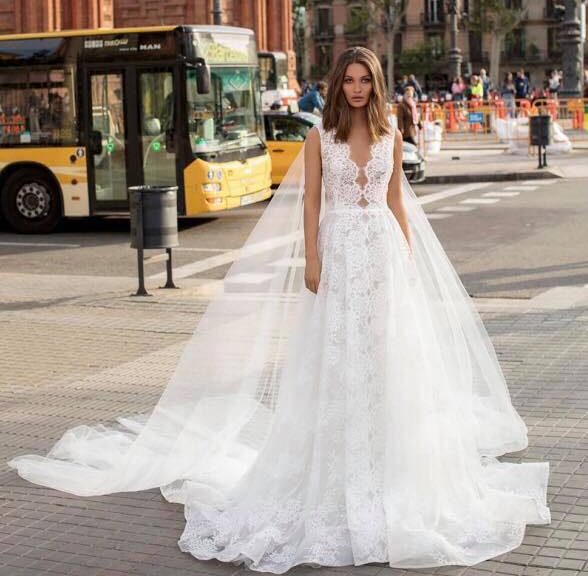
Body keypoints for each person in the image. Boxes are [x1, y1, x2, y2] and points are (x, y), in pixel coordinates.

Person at [8, 46, 551, 570]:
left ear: (376, 85)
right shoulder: (321, 136)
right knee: (339, 354)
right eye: (350, 80)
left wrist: (406, 258)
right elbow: (312, 203)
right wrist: (312, 260)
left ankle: (393, 468)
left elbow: (394, 202)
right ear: (338, 84)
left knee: (388, 355)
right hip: (338, 251)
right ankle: (334, 470)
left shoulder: (389, 132)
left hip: (383, 254)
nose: (357, 89)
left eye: (366, 80)